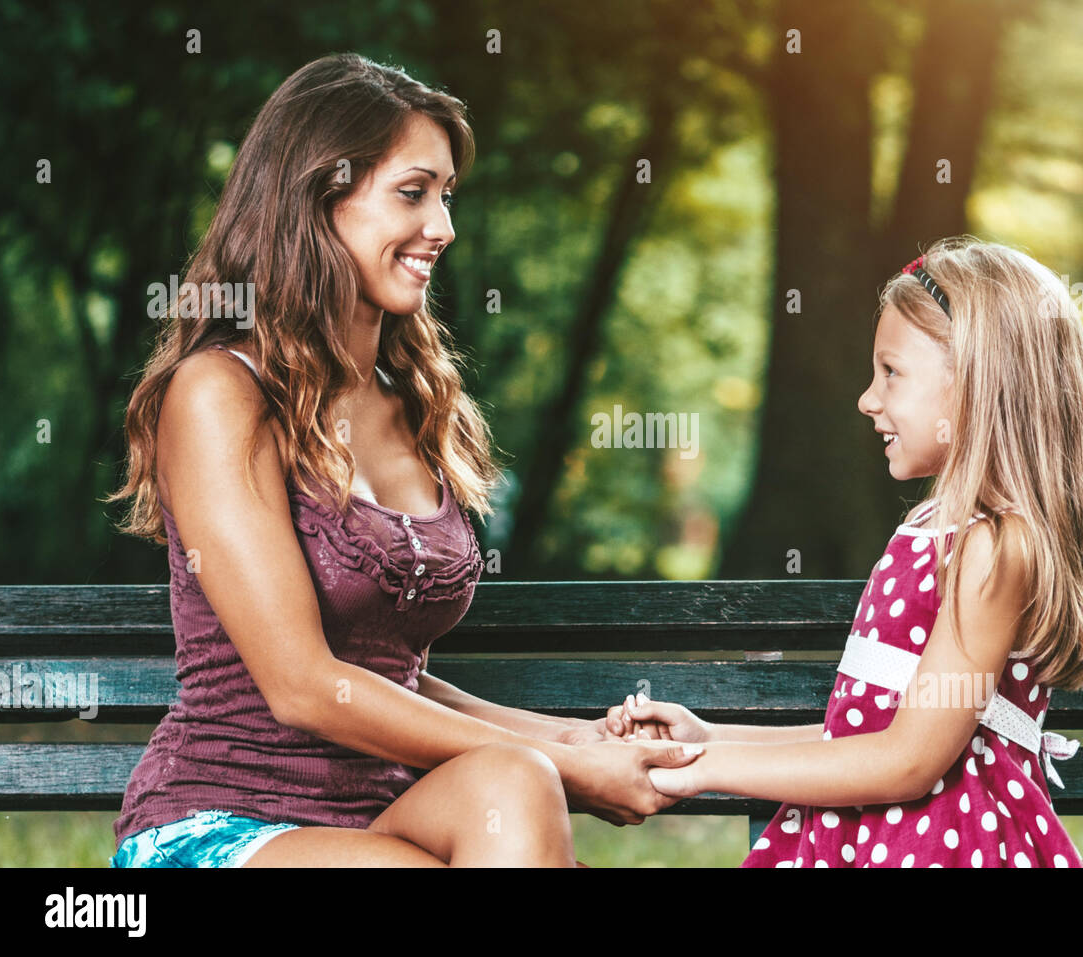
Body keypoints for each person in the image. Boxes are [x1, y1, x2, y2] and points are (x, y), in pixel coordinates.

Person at [104, 53, 700, 869]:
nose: (444, 227)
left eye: (447, 196)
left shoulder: (411, 400)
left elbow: (394, 678)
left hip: (386, 817)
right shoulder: (220, 393)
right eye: (413, 192)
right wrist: (570, 764)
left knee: (511, 786)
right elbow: (305, 684)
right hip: (226, 822)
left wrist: (565, 738)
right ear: (318, 199)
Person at [605, 237, 1083, 867]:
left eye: (891, 372)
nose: (868, 398)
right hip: (878, 838)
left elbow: (908, 761)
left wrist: (702, 769)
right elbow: (870, 730)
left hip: (938, 847)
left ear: (978, 381)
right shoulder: (936, 528)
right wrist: (710, 738)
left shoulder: (996, 547)